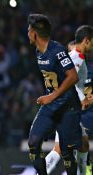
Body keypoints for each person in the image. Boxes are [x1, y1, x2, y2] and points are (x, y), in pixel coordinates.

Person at [27, 13, 82, 175]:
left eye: (29, 30)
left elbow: (73, 76)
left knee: (66, 153)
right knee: (33, 142)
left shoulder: (57, 50)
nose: (27, 33)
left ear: (35, 34)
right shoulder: (38, 51)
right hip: (51, 107)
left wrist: (51, 96)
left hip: (67, 108)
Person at [45, 25, 93, 175]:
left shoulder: (77, 58)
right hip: (66, 109)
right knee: (59, 149)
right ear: (86, 40)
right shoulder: (76, 58)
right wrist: (82, 98)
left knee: (84, 145)